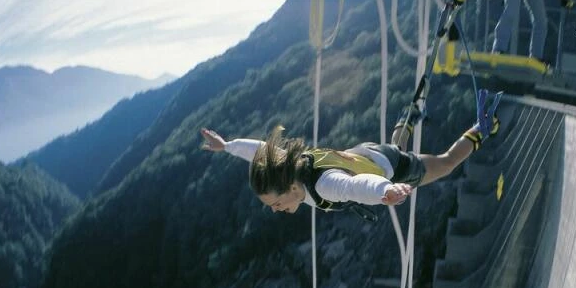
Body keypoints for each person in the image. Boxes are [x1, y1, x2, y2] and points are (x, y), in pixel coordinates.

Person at [198, 110, 492, 215]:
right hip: (364, 153)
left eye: (276, 204)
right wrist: (228, 146)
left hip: (389, 168)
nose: (277, 210)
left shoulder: (323, 185)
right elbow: (261, 150)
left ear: (289, 186)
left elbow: (353, 187)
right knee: (393, 148)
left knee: (446, 163)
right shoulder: (290, 164)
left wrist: (384, 193)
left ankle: (483, 126)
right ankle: (406, 120)